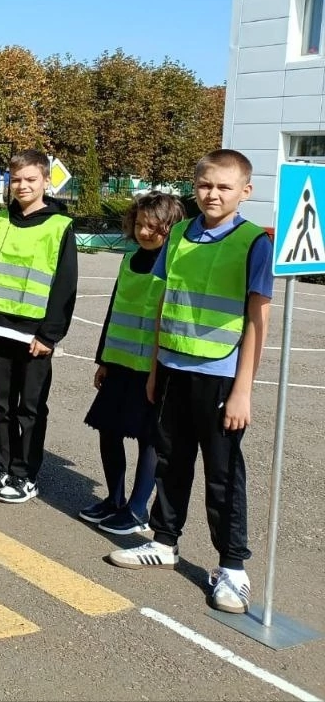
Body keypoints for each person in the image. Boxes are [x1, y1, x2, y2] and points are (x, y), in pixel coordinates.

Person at [108, 149, 272, 616]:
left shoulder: (251, 242)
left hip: (220, 377)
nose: (213, 194)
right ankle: (164, 540)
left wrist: (243, 389)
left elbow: (259, 321)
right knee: (171, 463)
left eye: (223, 186)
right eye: (205, 185)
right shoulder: (179, 233)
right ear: (194, 186)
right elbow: (166, 303)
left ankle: (233, 568)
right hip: (174, 369)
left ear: (245, 191)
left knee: (222, 475)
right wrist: (157, 368)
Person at [0, 149, 78, 504]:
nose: (22, 186)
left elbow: (65, 285)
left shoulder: (59, 226)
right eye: (16, 179)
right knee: (1, 402)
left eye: (31, 179)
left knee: (29, 407)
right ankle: (2, 465)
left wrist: (50, 334)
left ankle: (25, 474)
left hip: (35, 334)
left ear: (46, 182)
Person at [80, 192, 184, 535]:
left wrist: (161, 371)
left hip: (152, 370)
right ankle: (115, 499)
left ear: (170, 228)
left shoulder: (174, 266)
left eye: (153, 227)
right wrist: (102, 360)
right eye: (139, 224)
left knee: (147, 439)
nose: (144, 232)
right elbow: (114, 311)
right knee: (107, 430)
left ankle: (138, 510)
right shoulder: (128, 261)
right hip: (120, 364)